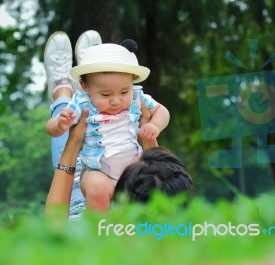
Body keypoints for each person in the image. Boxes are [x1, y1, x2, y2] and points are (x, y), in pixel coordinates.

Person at [46, 39, 170, 212]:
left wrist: (155, 126)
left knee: (148, 185)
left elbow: (162, 111)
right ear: (85, 87)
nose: (116, 101)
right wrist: (60, 123)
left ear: (132, 82)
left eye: (124, 91)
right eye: (105, 94)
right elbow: (50, 128)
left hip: (133, 170)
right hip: (97, 171)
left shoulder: (137, 97)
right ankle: (101, 229)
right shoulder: (82, 103)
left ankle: (68, 82)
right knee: (98, 187)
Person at [45, 105, 195, 218]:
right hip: (100, 173)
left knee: (68, 139)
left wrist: (74, 142)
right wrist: (149, 139)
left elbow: (54, 223)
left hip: (88, 187)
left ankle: (62, 88)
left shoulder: (90, 240)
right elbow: (162, 186)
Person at [44, 30, 102, 219]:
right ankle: (94, 84)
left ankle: (61, 92)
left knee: (73, 173)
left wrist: (60, 125)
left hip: (76, 201)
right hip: (116, 182)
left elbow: (50, 128)